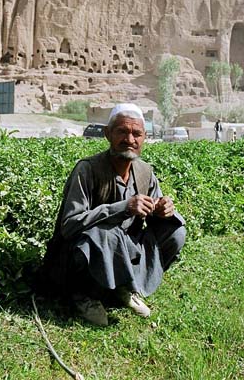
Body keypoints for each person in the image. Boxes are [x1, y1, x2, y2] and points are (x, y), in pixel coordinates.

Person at [38, 103, 186, 326]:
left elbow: (156, 207)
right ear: (107, 134)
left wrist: (163, 209)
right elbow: (69, 225)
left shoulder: (145, 172)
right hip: (78, 254)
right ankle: (84, 295)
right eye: (122, 132)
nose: (130, 139)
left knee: (175, 230)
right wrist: (123, 207)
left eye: (137, 134)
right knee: (107, 234)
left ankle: (123, 286)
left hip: (121, 249)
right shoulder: (87, 170)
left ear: (144, 137)